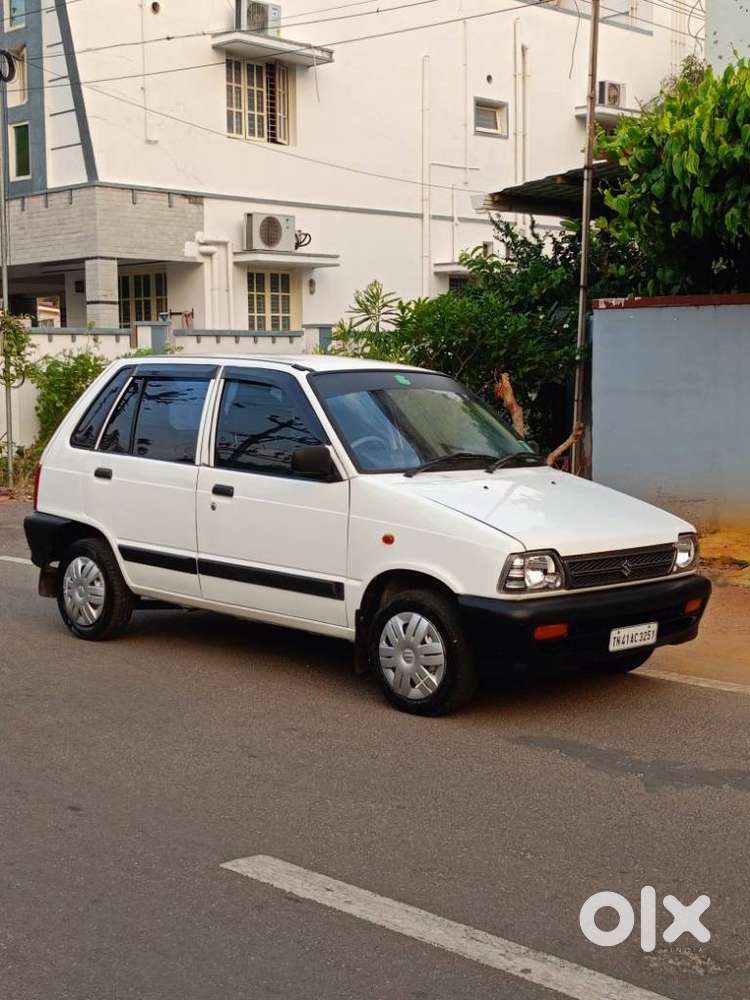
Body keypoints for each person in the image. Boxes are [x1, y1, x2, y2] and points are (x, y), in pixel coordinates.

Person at [493, 371, 584, 471]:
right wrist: (571, 439)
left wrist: (571, 439)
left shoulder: (521, 458)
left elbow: (550, 459)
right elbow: (550, 459)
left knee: (517, 412)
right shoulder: (524, 458)